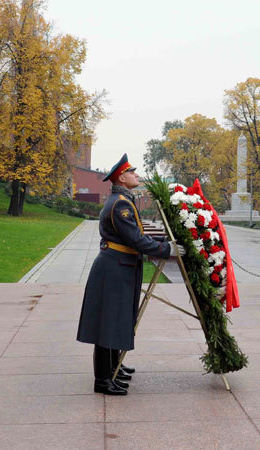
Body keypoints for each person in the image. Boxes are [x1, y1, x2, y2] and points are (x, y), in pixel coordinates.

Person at [76, 154, 184, 396]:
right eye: (132, 172)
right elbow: (135, 240)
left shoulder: (123, 200)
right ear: (121, 178)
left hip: (120, 266)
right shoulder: (120, 204)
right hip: (114, 268)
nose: (137, 174)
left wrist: (163, 242)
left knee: (117, 319)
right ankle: (103, 379)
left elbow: (137, 235)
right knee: (108, 323)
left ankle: (113, 368)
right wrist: (167, 249)